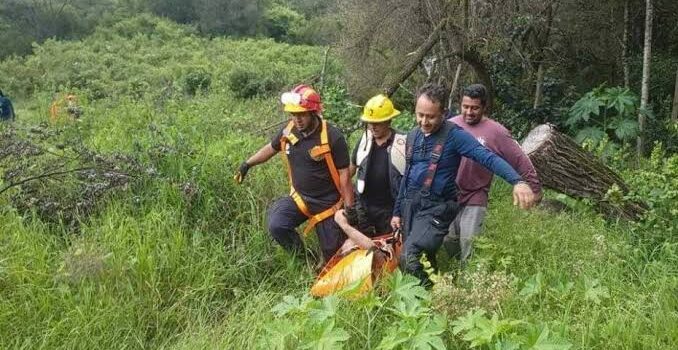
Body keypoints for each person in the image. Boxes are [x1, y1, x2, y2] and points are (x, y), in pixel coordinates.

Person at [390, 83, 536, 287]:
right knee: (426, 259)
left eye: (430, 116)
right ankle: (430, 306)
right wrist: (397, 212)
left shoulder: (455, 136)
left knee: (409, 257)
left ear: (444, 113)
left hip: (436, 209)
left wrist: (518, 181)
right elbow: (408, 176)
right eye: (420, 115)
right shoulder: (413, 136)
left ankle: (434, 295)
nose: (424, 121)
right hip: (411, 206)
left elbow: (487, 157)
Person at [234, 84, 354, 262]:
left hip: (328, 204)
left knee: (334, 257)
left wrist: (350, 210)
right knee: (277, 225)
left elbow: (345, 176)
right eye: (294, 114)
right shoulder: (288, 131)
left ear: (313, 113)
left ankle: (329, 261)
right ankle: (307, 260)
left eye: (302, 114)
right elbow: (271, 148)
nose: (297, 119)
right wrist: (247, 164)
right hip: (300, 198)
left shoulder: (332, 137)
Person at [444, 84, 542, 262]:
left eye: (474, 108)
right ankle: (454, 274)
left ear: (484, 107)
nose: (469, 112)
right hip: (449, 194)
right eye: (465, 107)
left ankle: (469, 281)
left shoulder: (496, 131)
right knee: (448, 240)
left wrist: (533, 188)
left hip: (476, 193)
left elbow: (520, 159)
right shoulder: (450, 125)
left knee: (469, 243)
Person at [333, 94, 407, 250]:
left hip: (389, 209)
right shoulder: (364, 140)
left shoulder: (402, 143)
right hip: (364, 207)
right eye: (370, 123)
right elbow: (350, 170)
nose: (373, 127)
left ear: (388, 121)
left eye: (377, 123)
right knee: (359, 248)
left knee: (388, 250)